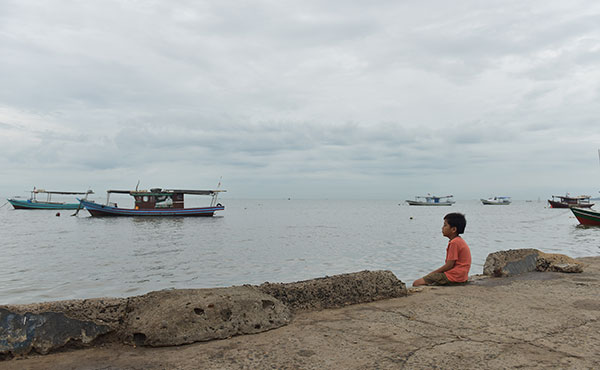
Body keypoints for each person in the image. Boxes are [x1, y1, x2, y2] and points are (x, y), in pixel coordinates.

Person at [413, 212, 471, 286]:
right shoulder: (459, 241)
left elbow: (449, 265)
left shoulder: (454, 243)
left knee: (416, 283)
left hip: (455, 277)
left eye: (445, 225)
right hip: (461, 276)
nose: (442, 228)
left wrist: (433, 273)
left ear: (453, 229)